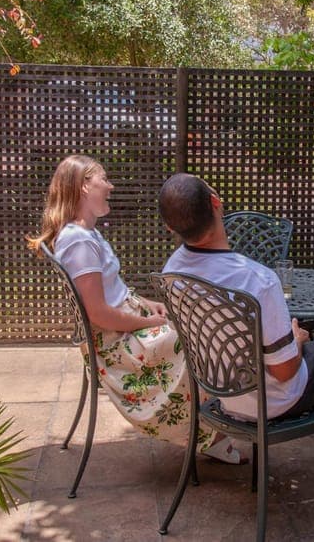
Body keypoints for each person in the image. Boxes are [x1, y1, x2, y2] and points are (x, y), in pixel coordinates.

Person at [158, 172, 314, 515]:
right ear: (216, 203)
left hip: (226, 396)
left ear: (169, 227)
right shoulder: (257, 280)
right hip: (273, 400)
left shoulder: (172, 271)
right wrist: (296, 338)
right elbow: (283, 371)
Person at [29, 155, 242, 463]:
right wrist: (145, 324)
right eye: (103, 179)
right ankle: (214, 431)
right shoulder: (78, 242)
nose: (110, 185)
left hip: (121, 327)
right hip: (115, 345)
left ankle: (211, 426)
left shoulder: (85, 234)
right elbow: (98, 314)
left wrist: (148, 306)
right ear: (85, 186)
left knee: (198, 326)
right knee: (202, 338)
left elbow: (113, 294)